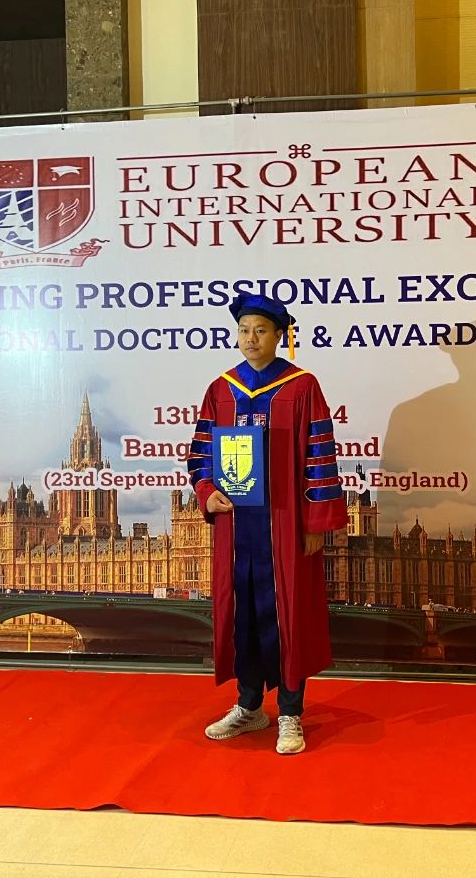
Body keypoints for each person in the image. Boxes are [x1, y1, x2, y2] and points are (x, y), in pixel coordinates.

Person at [186, 293, 346, 755]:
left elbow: (319, 456)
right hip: (236, 526)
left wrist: (315, 523)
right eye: (243, 330)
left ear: (279, 335)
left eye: (260, 330)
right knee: (244, 614)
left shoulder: (302, 386)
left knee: (287, 615)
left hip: (286, 525)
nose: (250, 339)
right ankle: (250, 706)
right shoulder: (221, 389)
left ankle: (291, 713)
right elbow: (201, 454)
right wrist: (206, 491)